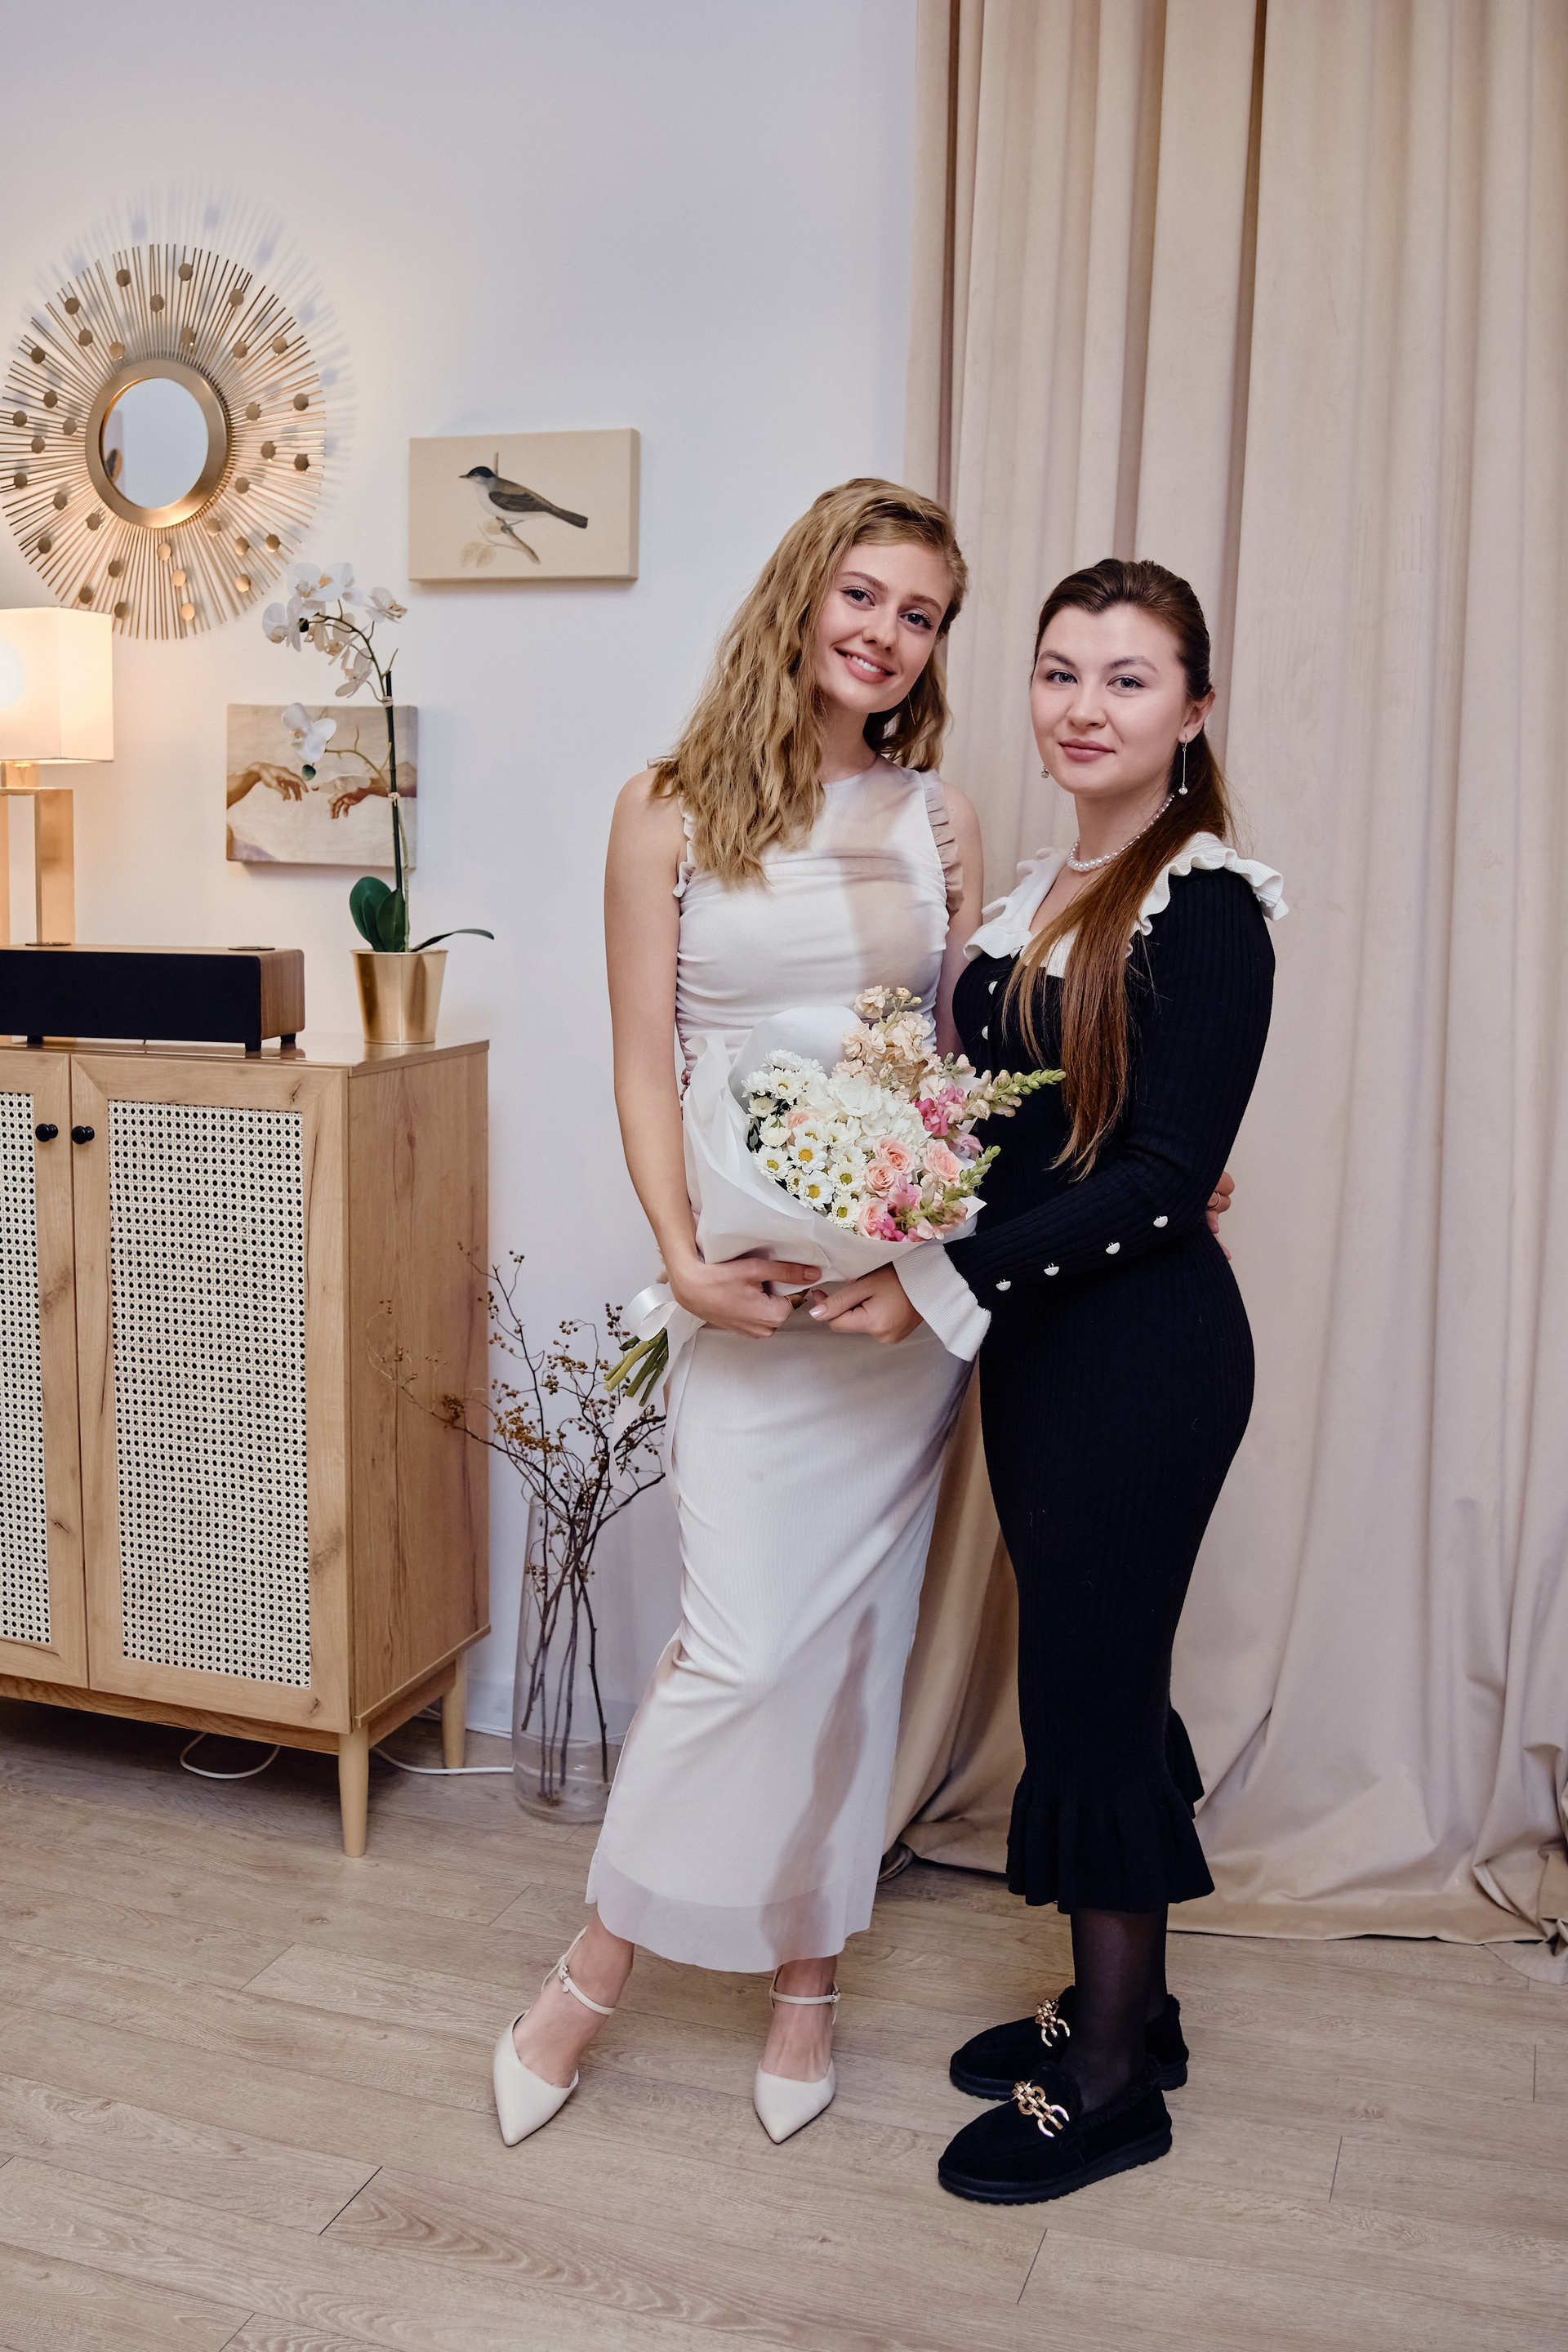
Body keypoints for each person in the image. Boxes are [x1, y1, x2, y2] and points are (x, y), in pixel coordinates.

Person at [492, 477, 987, 2148]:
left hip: (887, 1317)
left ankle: (806, 1978)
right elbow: (645, 1064)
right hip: (744, 1300)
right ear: (803, 592)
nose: (886, 634)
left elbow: (959, 1061)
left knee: (849, 1649)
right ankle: (596, 1965)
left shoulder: (938, 816)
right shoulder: (665, 807)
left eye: (920, 615)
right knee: (742, 1646)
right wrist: (683, 1257)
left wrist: (926, 1268)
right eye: (866, 595)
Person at [811, 558, 1284, 2203]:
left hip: (1145, 1362)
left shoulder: (1207, 904)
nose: (1085, 708)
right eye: (1060, 672)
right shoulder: (1046, 893)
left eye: (1129, 679)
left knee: (1087, 1689)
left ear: (1195, 711)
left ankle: (1110, 2082)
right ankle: (1129, 2008)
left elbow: (1160, 1181)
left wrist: (931, 1279)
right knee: (1097, 1674)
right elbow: (1033, 1138)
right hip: (1051, 1347)